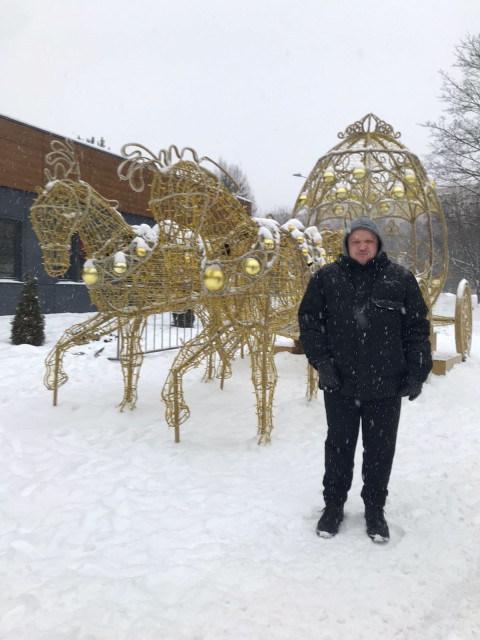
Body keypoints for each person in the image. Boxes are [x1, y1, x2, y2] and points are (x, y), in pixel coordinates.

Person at [298, 216, 432, 543]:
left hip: (386, 385)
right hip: (340, 384)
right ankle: (333, 506)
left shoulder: (399, 279)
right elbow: (310, 324)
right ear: (347, 244)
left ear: (378, 244)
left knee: (380, 450)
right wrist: (323, 365)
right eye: (356, 241)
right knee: (339, 448)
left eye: (368, 241)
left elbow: (416, 329)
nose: (362, 246)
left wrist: (418, 373)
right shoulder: (326, 278)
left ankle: (375, 509)